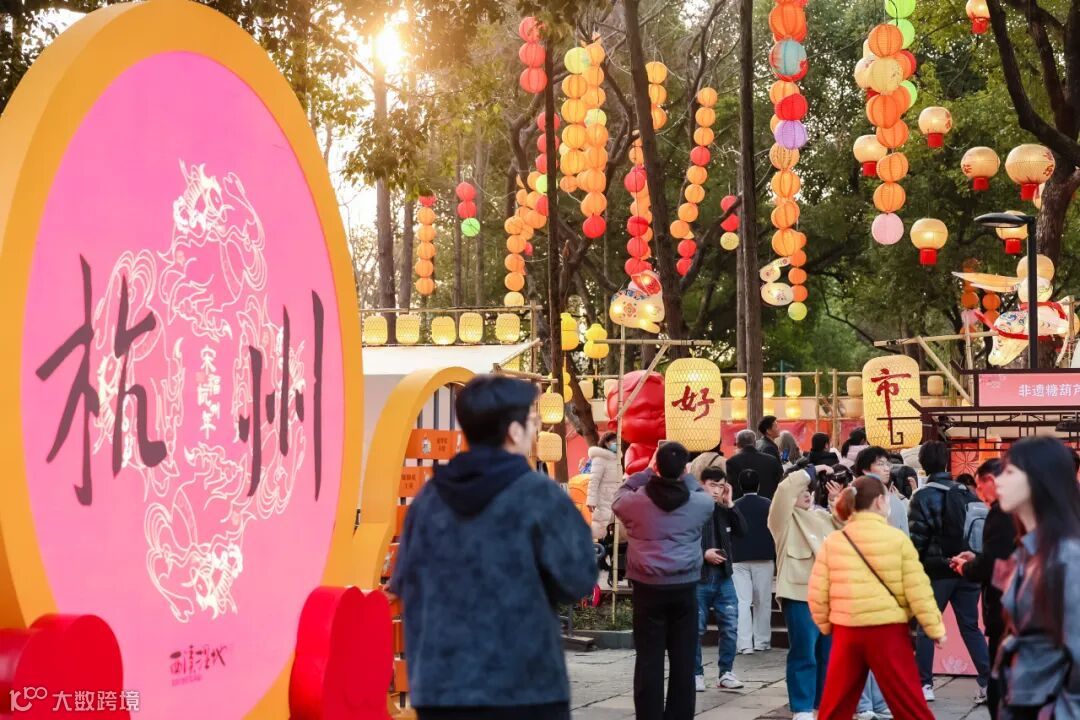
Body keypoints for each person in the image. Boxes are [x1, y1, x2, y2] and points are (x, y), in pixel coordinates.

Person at [389, 376, 598, 720]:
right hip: (524, 686)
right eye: (531, 421)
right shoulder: (537, 495)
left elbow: (407, 584)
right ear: (514, 432)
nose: (534, 430)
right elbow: (577, 579)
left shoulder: (429, 500)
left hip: (441, 686)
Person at [809, 476, 945, 720]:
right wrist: (934, 627)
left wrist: (826, 625)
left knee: (835, 706)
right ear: (880, 501)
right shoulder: (897, 539)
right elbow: (918, 589)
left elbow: (818, 590)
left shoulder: (835, 541)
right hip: (888, 630)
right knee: (909, 704)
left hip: (847, 629)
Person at [613, 441, 715, 720]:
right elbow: (703, 495)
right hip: (684, 586)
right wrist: (687, 476)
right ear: (684, 469)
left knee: (649, 659)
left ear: (656, 466)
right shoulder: (700, 503)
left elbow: (618, 497)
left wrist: (646, 473)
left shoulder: (635, 502)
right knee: (683, 659)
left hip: (647, 587)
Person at [990, 437, 1080, 720]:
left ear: (1040, 478)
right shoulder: (1029, 550)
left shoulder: (1067, 556)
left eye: (1010, 471)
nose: (997, 480)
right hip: (1022, 700)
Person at [907, 441, 991, 703]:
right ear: (946, 462)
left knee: (926, 627)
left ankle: (925, 685)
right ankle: (988, 681)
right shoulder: (966, 493)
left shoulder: (922, 496)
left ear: (923, 464)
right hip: (966, 568)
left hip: (937, 571)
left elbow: (918, 538)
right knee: (970, 626)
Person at [768, 466, 842, 720]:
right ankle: (802, 707)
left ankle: (824, 702)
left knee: (828, 653)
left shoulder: (823, 517)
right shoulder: (782, 520)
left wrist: (837, 502)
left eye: (810, 489)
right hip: (799, 595)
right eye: (802, 489)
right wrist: (810, 470)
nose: (807, 493)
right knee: (803, 652)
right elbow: (784, 490)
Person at [950, 458, 1014, 720]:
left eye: (980, 485)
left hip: (1007, 608)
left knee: (1002, 685)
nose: (978, 493)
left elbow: (994, 564)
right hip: (1030, 608)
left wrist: (967, 567)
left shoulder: (1003, 512)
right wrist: (977, 559)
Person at [694, 467, 747, 692]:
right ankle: (695, 673)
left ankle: (726, 672)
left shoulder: (723, 509)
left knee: (730, 626)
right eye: (712, 485)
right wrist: (703, 554)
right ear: (702, 484)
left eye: (720, 486)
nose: (716, 490)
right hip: (698, 578)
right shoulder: (691, 508)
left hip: (724, 577)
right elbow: (681, 541)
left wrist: (731, 503)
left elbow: (742, 531)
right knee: (695, 629)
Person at [731, 469, 776, 655]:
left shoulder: (734, 505)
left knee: (742, 601)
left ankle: (744, 644)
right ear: (758, 485)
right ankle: (762, 641)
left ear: (740, 486)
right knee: (762, 601)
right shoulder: (769, 504)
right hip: (764, 557)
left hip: (738, 558)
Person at [855, 446, 908, 534]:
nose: (887, 469)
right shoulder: (855, 497)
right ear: (865, 470)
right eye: (880, 464)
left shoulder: (894, 497)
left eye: (887, 464)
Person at [727, 429, 784, 500]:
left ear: (738, 444)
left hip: (743, 504)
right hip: (769, 503)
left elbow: (732, 488)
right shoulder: (771, 460)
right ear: (755, 443)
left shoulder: (732, 462)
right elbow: (780, 481)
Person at [586, 431, 621, 540]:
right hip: (603, 498)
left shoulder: (616, 460)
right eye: (614, 441)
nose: (616, 444)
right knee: (601, 526)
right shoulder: (599, 459)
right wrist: (591, 500)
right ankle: (598, 547)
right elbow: (594, 481)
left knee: (614, 529)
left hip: (615, 498)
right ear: (606, 443)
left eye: (617, 441)